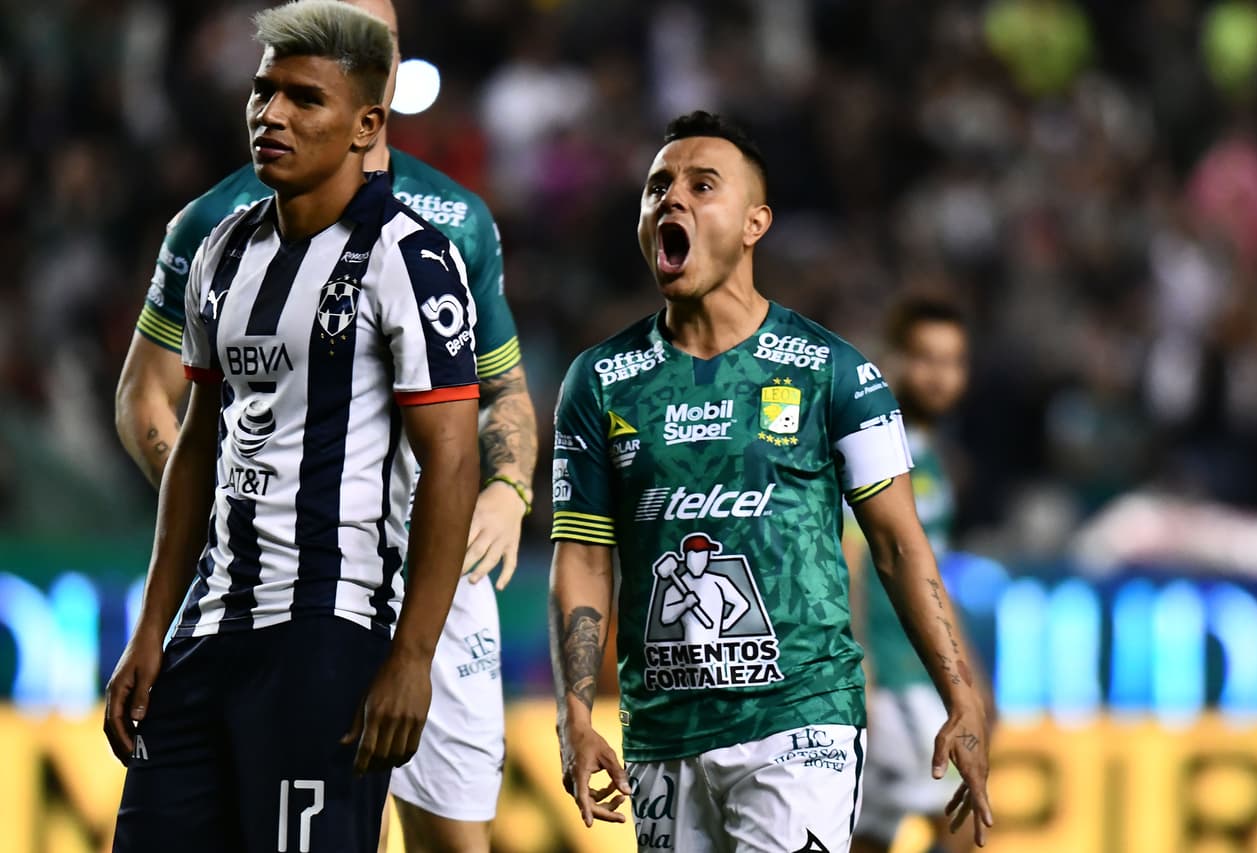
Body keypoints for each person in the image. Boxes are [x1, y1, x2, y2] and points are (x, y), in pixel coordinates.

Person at [113, 0, 536, 847]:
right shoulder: (218, 245)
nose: (271, 114)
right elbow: (195, 438)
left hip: (337, 618)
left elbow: (455, 454)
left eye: (303, 98)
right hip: (213, 619)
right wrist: (152, 626)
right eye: (264, 91)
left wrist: (413, 651)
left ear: (367, 119)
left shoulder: (416, 254)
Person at [547, 110, 995, 852]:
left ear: (756, 223)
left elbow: (897, 545)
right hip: (661, 730)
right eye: (657, 187)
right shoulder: (598, 381)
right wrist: (574, 711)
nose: (672, 198)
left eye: (702, 185)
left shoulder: (835, 372)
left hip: (800, 719)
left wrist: (961, 694)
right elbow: (584, 554)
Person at [848, 298, 991, 853]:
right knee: (963, 821)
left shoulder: (931, 459)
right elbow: (848, 558)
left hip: (917, 675)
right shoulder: (872, 449)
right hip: (890, 678)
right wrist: (859, 671)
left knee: (871, 836)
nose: (940, 375)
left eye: (953, 361)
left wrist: (968, 674)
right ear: (893, 360)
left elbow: (933, 578)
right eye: (925, 358)